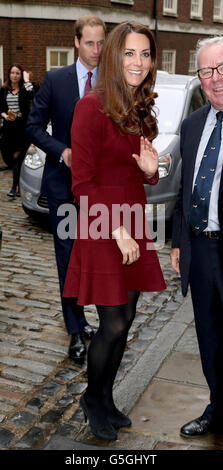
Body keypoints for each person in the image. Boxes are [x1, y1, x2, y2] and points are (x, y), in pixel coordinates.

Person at [63, 21, 166, 441]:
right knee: (114, 323)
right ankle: (91, 398)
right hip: (103, 223)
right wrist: (117, 229)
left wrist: (151, 173)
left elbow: (134, 172)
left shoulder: (137, 106)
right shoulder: (91, 106)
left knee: (128, 315)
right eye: (129, 53)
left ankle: (105, 397)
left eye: (144, 54)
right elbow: (83, 182)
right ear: (112, 56)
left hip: (132, 220)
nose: (138, 62)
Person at [26, 15, 106, 364]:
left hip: (102, 191)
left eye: (101, 43)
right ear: (76, 42)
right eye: (89, 43)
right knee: (69, 258)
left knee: (97, 258)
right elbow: (33, 125)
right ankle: (74, 330)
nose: (96, 50)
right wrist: (62, 150)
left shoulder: (111, 81)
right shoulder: (56, 80)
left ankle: (92, 319)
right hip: (64, 189)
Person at [171, 36, 223, 438]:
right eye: (207, 71)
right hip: (202, 249)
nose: (216, 79)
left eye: (222, 68)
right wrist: (178, 241)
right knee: (208, 336)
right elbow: (183, 189)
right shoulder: (191, 125)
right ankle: (216, 408)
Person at [0, 64, 34, 195]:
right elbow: (1, 109)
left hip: (22, 127)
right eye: (13, 73)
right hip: (8, 128)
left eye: (17, 73)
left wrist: (27, 80)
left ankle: (15, 187)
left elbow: (33, 95)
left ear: (20, 76)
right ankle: (17, 186)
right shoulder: (3, 90)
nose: (15, 75)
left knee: (17, 158)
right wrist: (5, 116)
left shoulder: (25, 90)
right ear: (9, 74)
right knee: (9, 157)